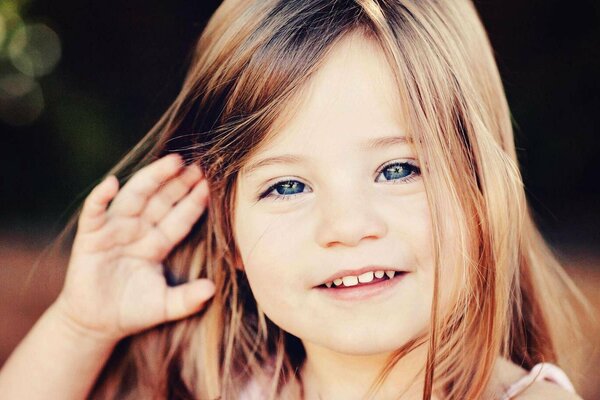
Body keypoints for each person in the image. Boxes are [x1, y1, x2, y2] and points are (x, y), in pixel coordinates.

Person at [0, 0, 591, 399]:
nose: (347, 225)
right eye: (287, 185)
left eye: (399, 168)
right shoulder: (235, 388)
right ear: (227, 232)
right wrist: (81, 328)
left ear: (483, 190)